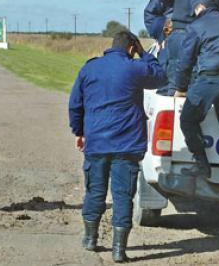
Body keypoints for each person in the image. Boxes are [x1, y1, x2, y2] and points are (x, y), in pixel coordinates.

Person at [68, 31, 167, 261]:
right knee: (122, 196)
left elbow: (75, 105)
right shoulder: (134, 68)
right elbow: (162, 76)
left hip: (97, 142)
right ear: (131, 47)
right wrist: (145, 54)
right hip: (127, 145)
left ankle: (91, 239)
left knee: (95, 191)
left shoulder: (89, 68)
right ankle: (119, 250)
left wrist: (79, 132)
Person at [171, 0, 219, 199]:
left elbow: (185, 61)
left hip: (210, 79)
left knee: (188, 119)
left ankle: (202, 165)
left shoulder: (197, 26)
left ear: (199, 7)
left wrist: (180, 87)